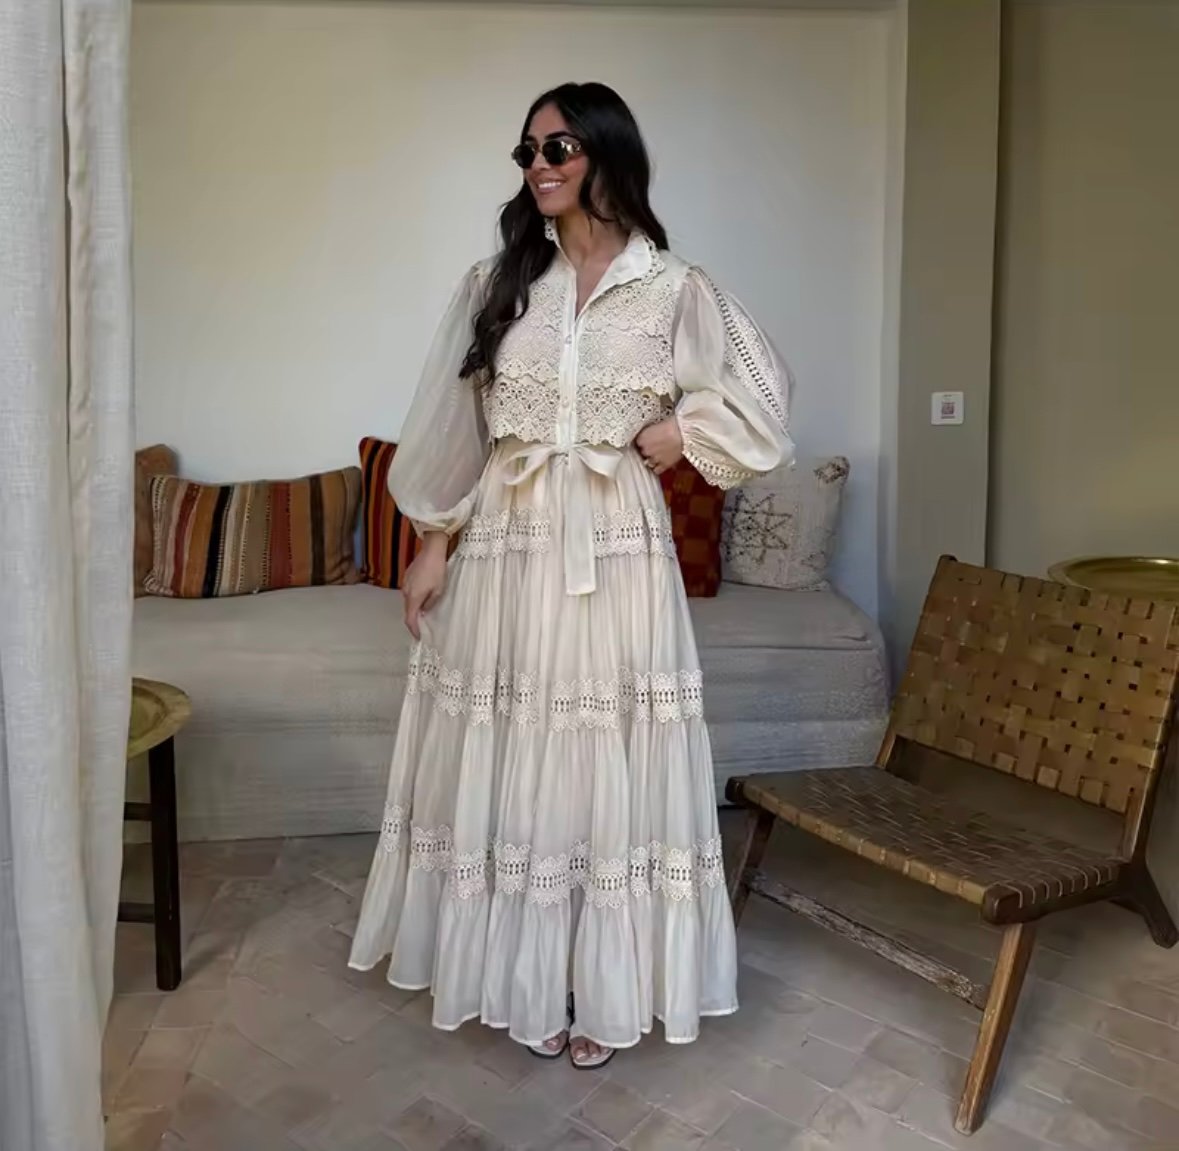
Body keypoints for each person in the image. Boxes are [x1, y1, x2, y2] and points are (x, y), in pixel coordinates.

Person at [349, 82, 794, 1070]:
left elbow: (765, 401)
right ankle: (523, 973)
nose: (537, 165)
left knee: (603, 757)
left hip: (615, 545)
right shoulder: (497, 282)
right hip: (508, 541)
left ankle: (605, 982)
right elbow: (455, 427)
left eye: (556, 146)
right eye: (526, 150)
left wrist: (684, 429)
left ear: (605, 152)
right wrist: (433, 541)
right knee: (515, 747)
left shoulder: (672, 287)